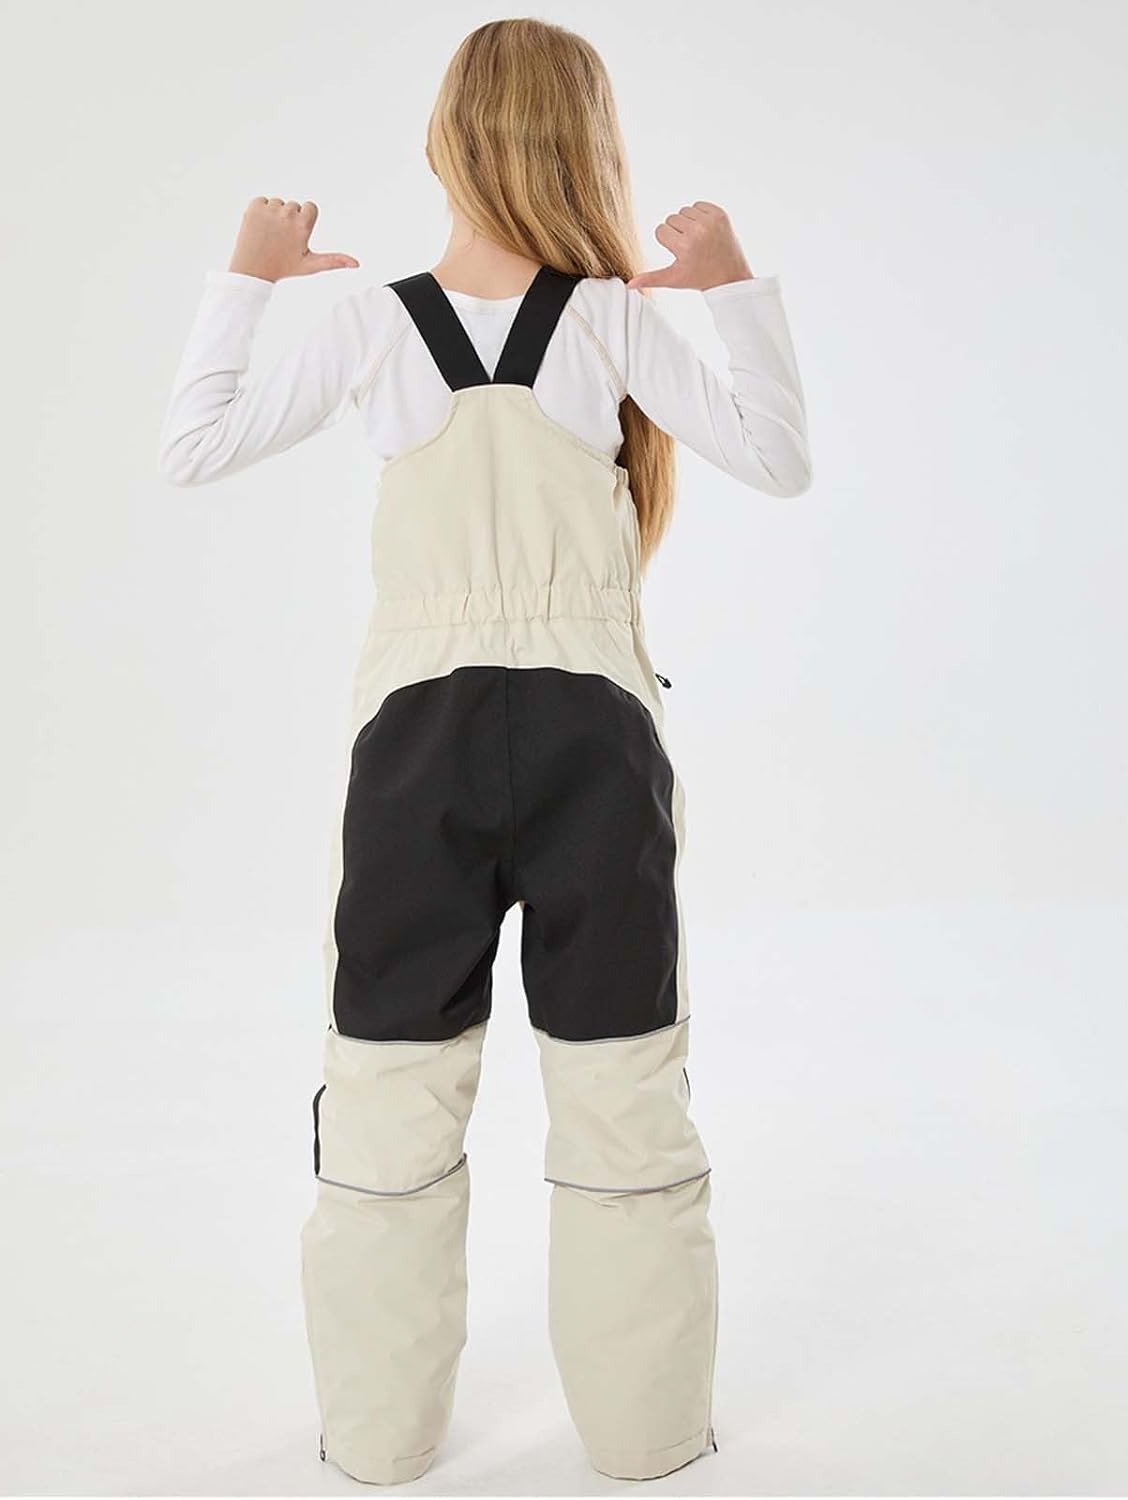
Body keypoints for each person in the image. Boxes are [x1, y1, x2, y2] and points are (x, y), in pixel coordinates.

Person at [158, 17, 812, 1484]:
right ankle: (646, 1441)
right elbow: (779, 455)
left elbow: (192, 445)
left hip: (417, 747)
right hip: (597, 740)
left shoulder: (374, 324)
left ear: (442, 139)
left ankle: (379, 1443)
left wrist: (244, 277)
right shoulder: (613, 321)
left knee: (388, 1090)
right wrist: (733, 286)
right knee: (624, 1089)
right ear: (590, 145)